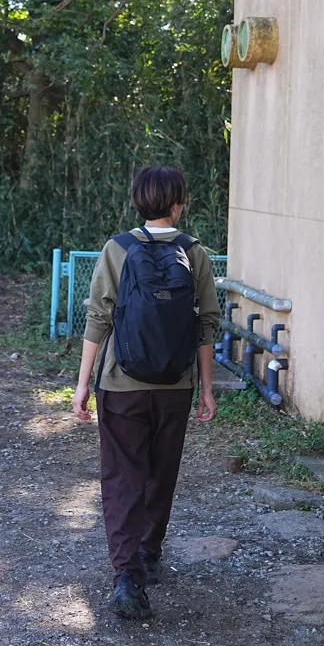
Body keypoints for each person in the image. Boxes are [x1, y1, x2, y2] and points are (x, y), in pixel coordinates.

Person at [71, 165, 218, 620]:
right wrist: (206, 390)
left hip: (121, 383)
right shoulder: (194, 253)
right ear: (178, 205)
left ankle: (127, 577)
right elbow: (207, 325)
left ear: (138, 202)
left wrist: (82, 386)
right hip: (175, 386)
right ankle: (149, 554)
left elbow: (98, 318)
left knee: (122, 476)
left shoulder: (117, 249)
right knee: (162, 471)